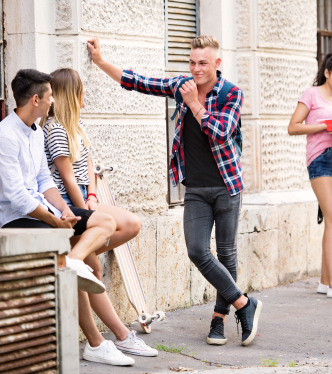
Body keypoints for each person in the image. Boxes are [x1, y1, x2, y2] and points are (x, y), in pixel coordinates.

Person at [87, 35, 262, 347]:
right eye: (192, 62)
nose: (195, 69)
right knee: (197, 250)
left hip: (227, 186)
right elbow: (140, 82)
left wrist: (194, 102)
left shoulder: (231, 93)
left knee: (225, 254)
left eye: (202, 63)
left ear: (217, 64)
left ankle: (219, 320)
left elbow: (220, 133)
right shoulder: (182, 84)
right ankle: (244, 304)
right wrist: (101, 62)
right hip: (195, 187)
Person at [41, 68, 157, 365]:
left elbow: (90, 166)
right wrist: (85, 212)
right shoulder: (54, 129)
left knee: (131, 223)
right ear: (71, 93)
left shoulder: (75, 125)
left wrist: (93, 197)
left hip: (85, 195)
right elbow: (66, 181)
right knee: (92, 268)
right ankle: (119, 336)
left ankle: (79, 256)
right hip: (68, 201)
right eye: (81, 89)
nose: (84, 94)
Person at [0, 68, 115, 295]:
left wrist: (64, 210)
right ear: (36, 100)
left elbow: (44, 180)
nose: (53, 100)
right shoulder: (5, 136)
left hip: (43, 209)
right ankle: (73, 265)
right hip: (15, 219)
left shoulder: (35, 131)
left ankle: (74, 261)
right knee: (68, 258)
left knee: (106, 223)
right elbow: (18, 198)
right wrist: (56, 222)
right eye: (50, 95)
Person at [287, 53, 332, 301]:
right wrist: (324, 126)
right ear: (327, 73)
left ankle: (325, 281)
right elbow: (293, 126)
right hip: (320, 159)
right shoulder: (311, 94)